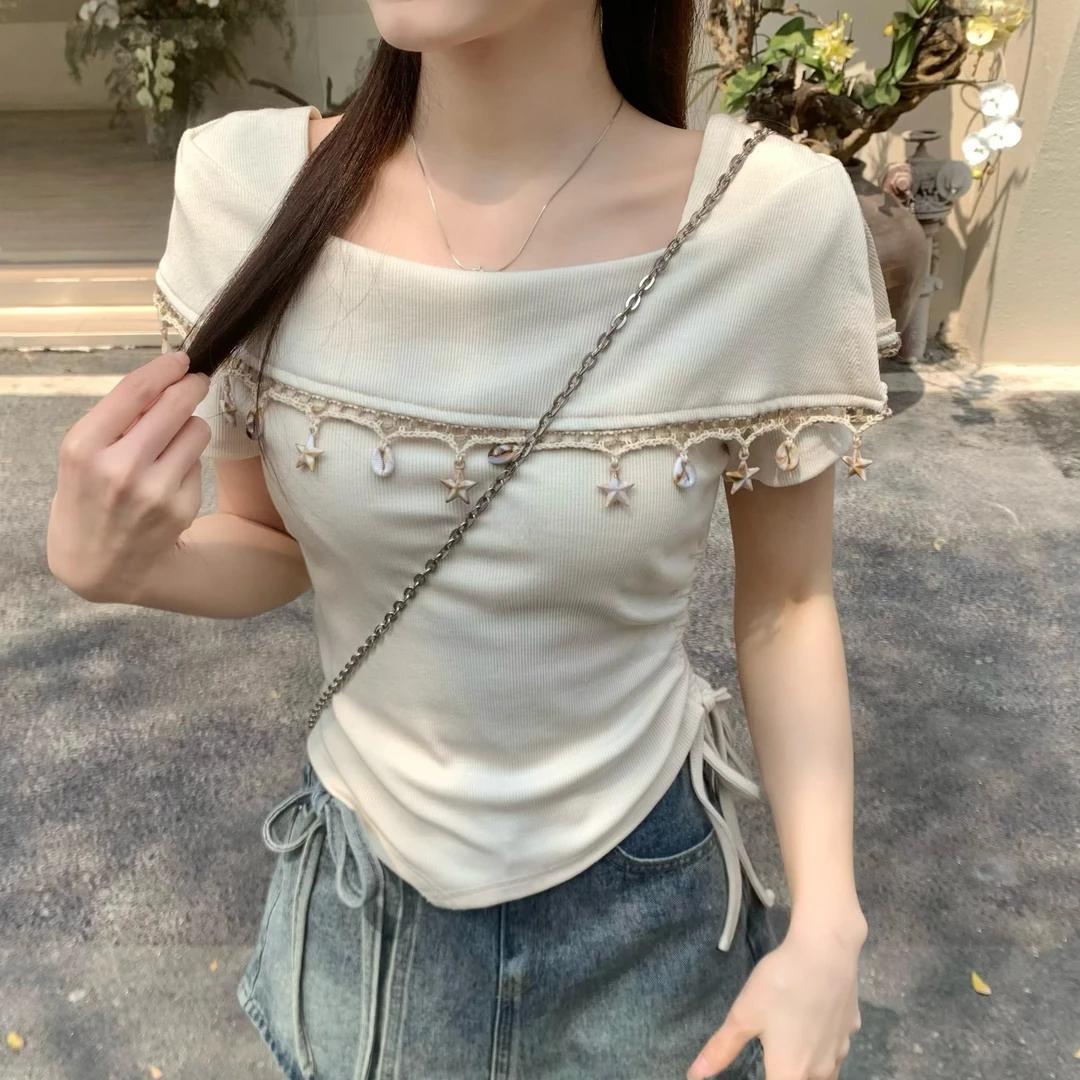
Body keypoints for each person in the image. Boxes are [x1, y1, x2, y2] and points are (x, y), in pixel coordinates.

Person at [47, 2, 899, 1077]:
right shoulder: (247, 188)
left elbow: (788, 603)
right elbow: (269, 537)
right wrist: (132, 569)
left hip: (647, 912)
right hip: (360, 911)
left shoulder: (766, 218)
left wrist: (828, 922)